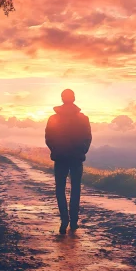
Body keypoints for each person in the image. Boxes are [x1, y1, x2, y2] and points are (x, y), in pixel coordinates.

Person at [45, 89, 92, 234]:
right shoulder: (83, 118)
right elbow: (88, 138)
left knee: (60, 189)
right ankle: (73, 221)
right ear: (74, 98)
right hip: (76, 158)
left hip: (60, 158)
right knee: (75, 189)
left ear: (62, 98)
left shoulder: (53, 118)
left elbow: (48, 138)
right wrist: (81, 151)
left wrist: (55, 150)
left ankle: (64, 220)